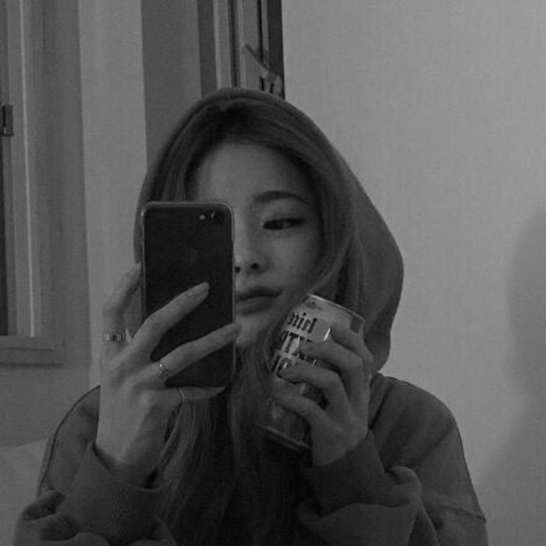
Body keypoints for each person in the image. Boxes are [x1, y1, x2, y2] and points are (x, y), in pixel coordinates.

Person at [14, 88, 487, 546]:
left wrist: (352, 479)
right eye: (211, 231)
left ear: (333, 236)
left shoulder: (410, 424)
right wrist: (116, 474)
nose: (244, 258)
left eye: (280, 222)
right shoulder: (98, 422)